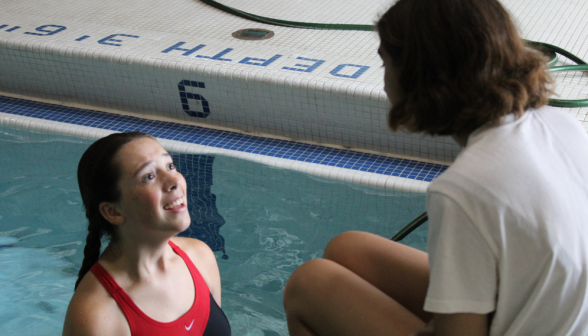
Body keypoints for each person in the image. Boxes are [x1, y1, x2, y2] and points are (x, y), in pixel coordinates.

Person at [283, 0, 588, 335]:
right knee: (348, 249)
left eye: (385, 64)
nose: (383, 83)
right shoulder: (563, 126)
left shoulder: (465, 188)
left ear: (420, 75)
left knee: (308, 284)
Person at [63, 132, 231, 336]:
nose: (174, 180)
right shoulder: (98, 314)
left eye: (170, 166)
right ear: (113, 211)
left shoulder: (200, 257)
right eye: (149, 176)